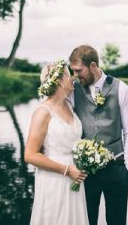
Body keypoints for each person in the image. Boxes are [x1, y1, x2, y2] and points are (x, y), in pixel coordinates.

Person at [69, 45, 128, 225]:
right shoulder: (73, 90)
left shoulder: (122, 89)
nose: (75, 75)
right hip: (86, 172)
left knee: (117, 221)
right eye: (72, 71)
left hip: (116, 168)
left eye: (78, 70)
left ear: (92, 66)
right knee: (86, 220)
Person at [25, 60, 89, 225]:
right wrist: (67, 170)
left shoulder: (68, 105)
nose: (73, 78)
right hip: (55, 177)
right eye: (69, 75)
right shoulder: (42, 112)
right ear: (60, 81)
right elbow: (30, 155)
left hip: (75, 177)